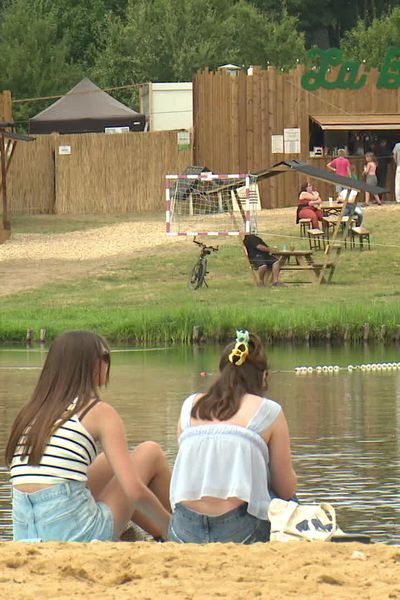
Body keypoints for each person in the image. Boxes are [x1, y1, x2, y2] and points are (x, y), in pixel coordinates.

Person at [5, 330, 172, 542]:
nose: (107, 363)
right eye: (104, 357)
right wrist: (171, 525)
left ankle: (160, 534)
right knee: (150, 452)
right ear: (88, 365)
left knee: (111, 463)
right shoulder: (98, 412)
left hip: (25, 533)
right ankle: (180, 530)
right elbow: (134, 490)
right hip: (75, 533)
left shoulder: (32, 411)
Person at [167, 330, 297, 544]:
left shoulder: (190, 406)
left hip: (183, 528)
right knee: (287, 499)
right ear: (263, 376)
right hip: (239, 530)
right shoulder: (269, 411)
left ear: (221, 372)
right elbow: (285, 488)